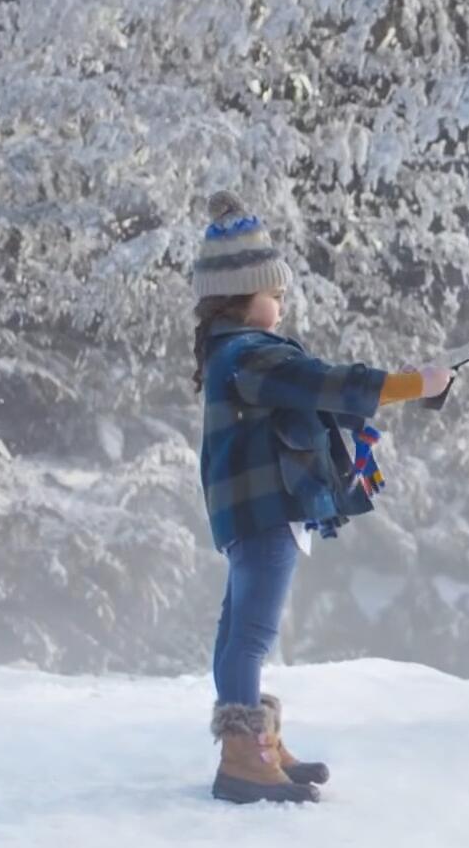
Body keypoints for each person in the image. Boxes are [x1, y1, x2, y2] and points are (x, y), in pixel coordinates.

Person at [191, 191, 452, 804]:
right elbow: (328, 384)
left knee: (237, 635)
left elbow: (318, 392)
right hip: (267, 511)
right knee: (251, 636)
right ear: (244, 295)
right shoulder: (252, 356)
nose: (281, 302)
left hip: (249, 511)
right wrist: (419, 383)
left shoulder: (231, 355)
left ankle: (255, 743)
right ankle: (244, 762)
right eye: (273, 292)